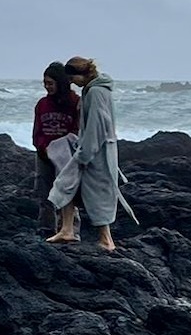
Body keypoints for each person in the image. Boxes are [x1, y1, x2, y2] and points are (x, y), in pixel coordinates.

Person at [47, 56, 127, 252]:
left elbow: (96, 126)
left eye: (73, 78)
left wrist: (84, 154)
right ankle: (67, 229)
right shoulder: (93, 89)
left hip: (96, 152)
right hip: (90, 149)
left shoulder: (96, 92)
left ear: (81, 74)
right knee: (67, 185)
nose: (72, 83)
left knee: (97, 193)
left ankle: (106, 240)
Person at [32, 61, 80, 232]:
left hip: (66, 157)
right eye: (45, 83)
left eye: (50, 83)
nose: (47, 87)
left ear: (60, 82)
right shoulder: (42, 104)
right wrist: (42, 147)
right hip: (44, 154)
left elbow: (76, 129)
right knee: (44, 194)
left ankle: (70, 230)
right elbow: (37, 131)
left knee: (67, 193)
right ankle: (46, 229)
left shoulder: (75, 102)